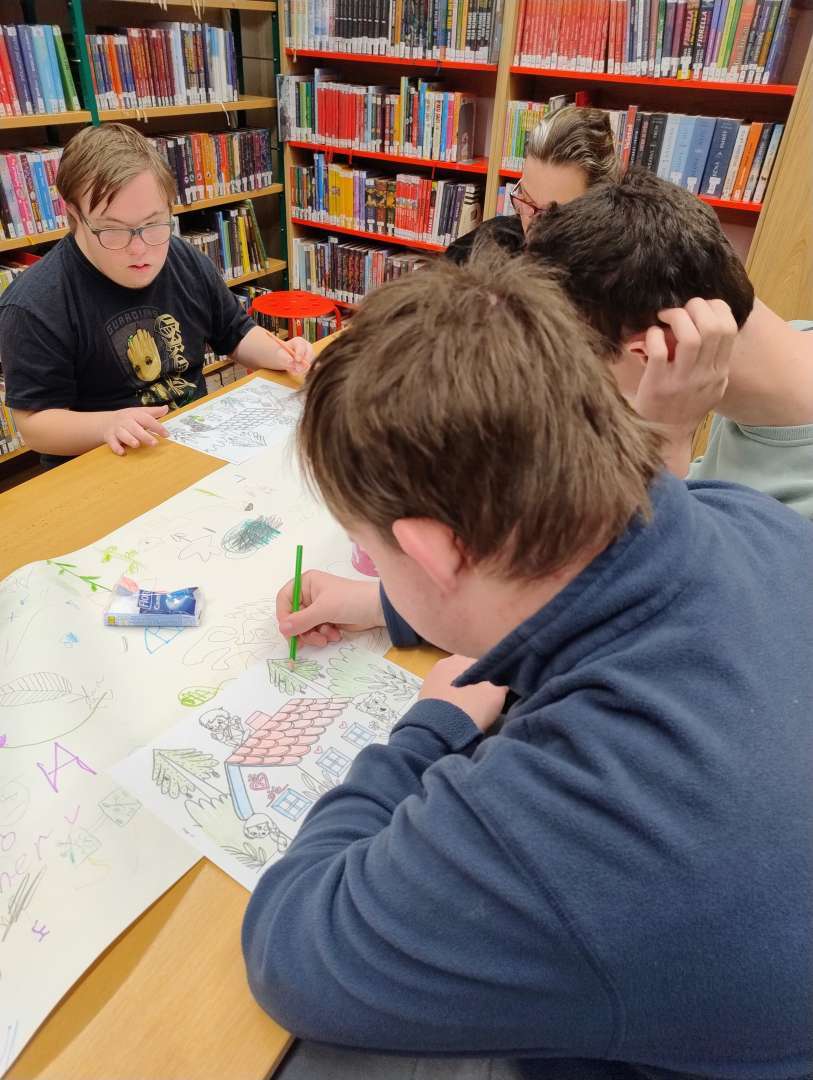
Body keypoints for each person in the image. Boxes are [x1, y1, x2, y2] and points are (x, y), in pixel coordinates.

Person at [243, 253, 812, 1080]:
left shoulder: (563, 823)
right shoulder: (747, 518)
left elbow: (293, 947)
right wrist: (387, 605)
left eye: (371, 555)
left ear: (432, 551)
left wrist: (427, 729)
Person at [0, 123, 313, 465]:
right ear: (74, 215)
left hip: (193, 442)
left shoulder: (183, 259)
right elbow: (36, 426)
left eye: (153, 224)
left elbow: (235, 333)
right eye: (113, 229)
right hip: (105, 463)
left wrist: (281, 355)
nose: (139, 249)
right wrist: (108, 425)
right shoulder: (34, 305)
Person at [527, 166, 813, 509]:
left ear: (661, 351)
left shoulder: (798, 515)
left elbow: (655, 538)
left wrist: (665, 446)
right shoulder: (779, 356)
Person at [446, 104, 619, 264]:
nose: (531, 229)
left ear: (598, 211)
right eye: (526, 198)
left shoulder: (616, 276)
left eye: (551, 215)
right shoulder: (482, 247)